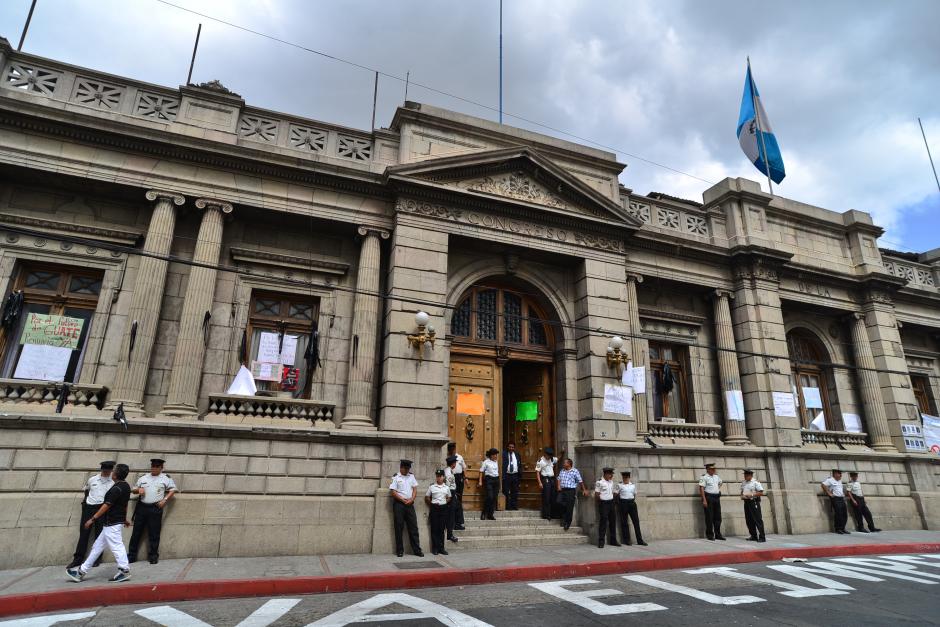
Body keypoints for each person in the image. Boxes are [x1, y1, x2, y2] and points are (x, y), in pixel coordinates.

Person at [66, 463, 132, 583]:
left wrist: (92, 519)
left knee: (117, 546)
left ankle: (124, 570)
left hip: (112, 523)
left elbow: (106, 505)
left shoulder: (116, 489)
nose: (112, 472)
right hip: (112, 523)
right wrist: (124, 518)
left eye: (114, 471)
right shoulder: (126, 486)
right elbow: (124, 504)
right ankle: (81, 572)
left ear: (116, 474)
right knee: (97, 547)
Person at [128, 458, 177, 565]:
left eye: (156, 466)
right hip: (142, 507)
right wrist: (138, 490)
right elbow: (133, 489)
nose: (154, 468)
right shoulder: (143, 477)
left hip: (155, 508)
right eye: (152, 466)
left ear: (161, 468)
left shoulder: (166, 478)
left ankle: (153, 556)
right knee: (136, 532)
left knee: (154, 533)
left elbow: (173, 490)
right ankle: (131, 556)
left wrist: (165, 500)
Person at [68, 460, 115, 569]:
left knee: (99, 536)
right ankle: (77, 559)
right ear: (102, 469)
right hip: (89, 508)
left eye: (109, 470)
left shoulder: (112, 483)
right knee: (84, 534)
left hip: (102, 510)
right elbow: (86, 490)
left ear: (111, 470)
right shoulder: (92, 479)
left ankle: (96, 559)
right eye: (105, 470)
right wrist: (85, 503)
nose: (107, 472)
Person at [390, 459, 423, 558]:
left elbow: (415, 489)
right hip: (399, 504)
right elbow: (393, 492)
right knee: (399, 527)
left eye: (408, 468)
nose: (407, 470)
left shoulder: (411, 476)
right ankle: (400, 550)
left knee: (413, 527)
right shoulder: (396, 477)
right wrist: (403, 500)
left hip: (409, 504)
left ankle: (417, 550)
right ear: (401, 467)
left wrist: (412, 499)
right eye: (406, 468)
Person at [615, 470, 646, 546]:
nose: (625, 479)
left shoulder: (633, 485)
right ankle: (627, 540)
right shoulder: (619, 485)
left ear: (629, 478)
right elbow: (615, 495)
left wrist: (631, 501)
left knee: (636, 522)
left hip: (631, 504)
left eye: (626, 478)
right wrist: (619, 504)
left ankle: (640, 540)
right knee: (624, 523)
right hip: (623, 504)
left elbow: (634, 495)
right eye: (624, 477)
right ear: (622, 478)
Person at [556, 458, 589, 531]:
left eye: (565, 463)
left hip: (570, 491)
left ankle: (567, 523)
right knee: (559, 502)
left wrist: (584, 490)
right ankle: (564, 518)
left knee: (569, 507)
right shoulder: (562, 470)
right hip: (562, 490)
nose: (563, 464)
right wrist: (558, 486)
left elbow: (580, 481)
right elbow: (558, 478)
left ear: (569, 464)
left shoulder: (575, 471)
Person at [425, 469, 452, 556]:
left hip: (443, 508)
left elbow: (449, 497)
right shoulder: (432, 487)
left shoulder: (446, 487)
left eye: (440, 476)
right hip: (434, 508)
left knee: (442, 529)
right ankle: (435, 548)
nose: (439, 478)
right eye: (437, 476)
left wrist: (444, 502)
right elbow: (427, 497)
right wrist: (432, 504)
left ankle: (441, 548)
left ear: (443, 477)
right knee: (435, 528)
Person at [594, 467, 620, 548]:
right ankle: (601, 541)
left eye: (612, 474)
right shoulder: (599, 482)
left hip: (611, 503)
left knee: (613, 522)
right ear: (605, 474)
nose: (611, 476)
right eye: (610, 474)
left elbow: (613, 492)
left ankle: (613, 540)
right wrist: (601, 502)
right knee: (603, 522)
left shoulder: (611, 482)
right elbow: (597, 494)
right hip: (604, 504)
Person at [699, 463, 725, 541]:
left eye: (714, 469)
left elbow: (721, 482)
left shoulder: (716, 477)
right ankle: (710, 534)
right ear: (708, 469)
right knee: (709, 517)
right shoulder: (704, 477)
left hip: (716, 498)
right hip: (709, 498)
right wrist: (704, 500)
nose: (714, 470)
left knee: (718, 517)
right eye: (712, 469)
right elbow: (701, 489)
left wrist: (717, 489)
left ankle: (718, 534)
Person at [740, 469, 766, 543]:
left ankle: (762, 537)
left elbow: (761, 492)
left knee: (757, 519)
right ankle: (753, 536)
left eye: (746, 475)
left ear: (750, 475)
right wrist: (742, 496)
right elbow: (742, 491)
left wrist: (751, 495)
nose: (745, 476)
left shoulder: (755, 482)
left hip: (753, 502)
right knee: (749, 520)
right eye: (744, 475)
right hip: (746, 502)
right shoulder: (744, 483)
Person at [822, 468, 850, 534]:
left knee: (844, 514)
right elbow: (823, 485)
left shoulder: (839, 481)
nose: (841, 475)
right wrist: (829, 493)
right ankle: (838, 529)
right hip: (836, 499)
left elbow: (839, 489)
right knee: (838, 514)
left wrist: (843, 494)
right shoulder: (830, 480)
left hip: (841, 499)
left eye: (841, 474)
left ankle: (843, 528)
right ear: (835, 474)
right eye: (839, 473)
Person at [446, 443, 466, 530]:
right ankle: (457, 524)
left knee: (457, 504)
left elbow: (464, 468)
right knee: (456, 506)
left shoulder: (450, 470)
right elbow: (449, 484)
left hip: (458, 480)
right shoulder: (449, 472)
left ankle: (457, 523)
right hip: (451, 491)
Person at [536, 447, 558, 520]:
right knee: (546, 497)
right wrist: (540, 483)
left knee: (552, 497)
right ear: (545, 454)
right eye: (549, 455)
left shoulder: (552, 459)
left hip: (552, 479)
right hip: (545, 480)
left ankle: (552, 514)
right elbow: (538, 472)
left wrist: (562, 452)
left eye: (551, 455)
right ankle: (546, 515)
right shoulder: (540, 461)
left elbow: (558, 459)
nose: (550, 457)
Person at [478, 448, 500, 520]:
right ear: (491, 455)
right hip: (489, 480)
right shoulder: (486, 462)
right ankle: (484, 513)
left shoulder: (496, 462)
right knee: (489, 497)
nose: (496, 456)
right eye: (495, 454)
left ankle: (490, 514)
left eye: (496, 454)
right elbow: (481, 471)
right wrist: (480, 481)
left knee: (494, 498)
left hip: (496, 480)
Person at [443, 455, 461, 544]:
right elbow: (448, 486)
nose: (455, 464)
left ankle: (451, 531)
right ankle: (449, 534)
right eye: (455, 463)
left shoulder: (449, 470)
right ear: (453, 464)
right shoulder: (448, 473)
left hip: (452, 493)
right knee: (451, 515)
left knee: (453, 513)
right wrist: (450, 497)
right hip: (450, 493)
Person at [501, 442, 522, 511]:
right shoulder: (504, 454)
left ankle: (514, 506)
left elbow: (520, 465)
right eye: (510, 447)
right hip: (507, 475)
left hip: (515, 475)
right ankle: (508, 506)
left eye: (512, 447)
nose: (511, 448)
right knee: (506, 491)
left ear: (514, 448)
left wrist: (520, 475)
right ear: (507, 447)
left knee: (515, 491)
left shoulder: (517, 454)